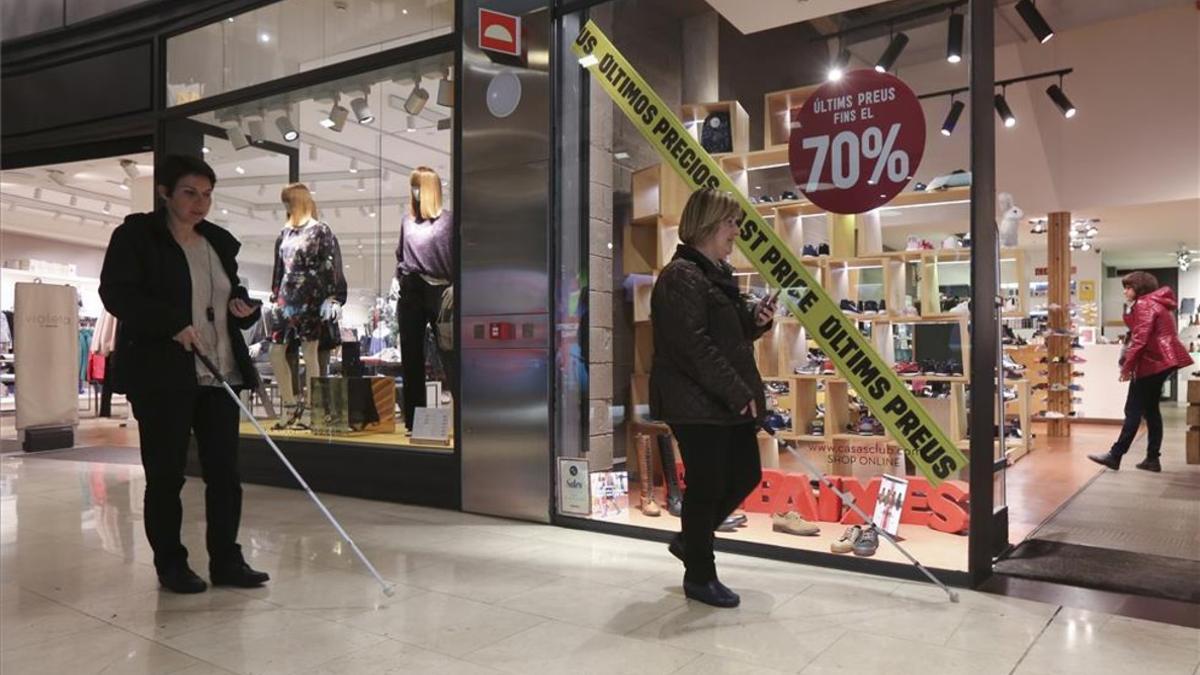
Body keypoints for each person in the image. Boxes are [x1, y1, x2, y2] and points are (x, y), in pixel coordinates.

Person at [100, 155, 269, 593]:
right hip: (163, 375)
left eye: (207, 194)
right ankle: (171, 563)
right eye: (190, 193)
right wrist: (168, 323)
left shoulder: (216, 242)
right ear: (165, 194)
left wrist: (245, 310)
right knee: (166, 474)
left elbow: (231, 297)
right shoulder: (137, 236)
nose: (200, 203)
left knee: (225, 474)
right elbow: (116, 293)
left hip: (220, 372)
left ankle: (227, 560)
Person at [649, 188, 777, 608]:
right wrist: (739, 393)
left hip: (721, 400)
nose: (736, 232)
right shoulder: (680, 276)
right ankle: (699, 576)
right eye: (730, 223)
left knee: (744, 474)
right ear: (706, 224)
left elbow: (726, 336)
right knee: (706, 486)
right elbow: (694, 348)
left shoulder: (715, 274)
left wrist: (754, 322)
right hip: (696, 402)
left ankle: (692, 539)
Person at [1088, 271, 1192, 472]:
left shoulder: (1145, 304)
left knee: (1133, 409)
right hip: (1162, 361)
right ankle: (1152, 459)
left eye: (1128, 287)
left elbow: (1140, 339)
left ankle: (1115, 455)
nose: (1125, 291)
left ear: (1139, 288)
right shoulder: (1158, 304)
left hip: (1152, 363)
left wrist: (1127, 367)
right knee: (1151, 410)